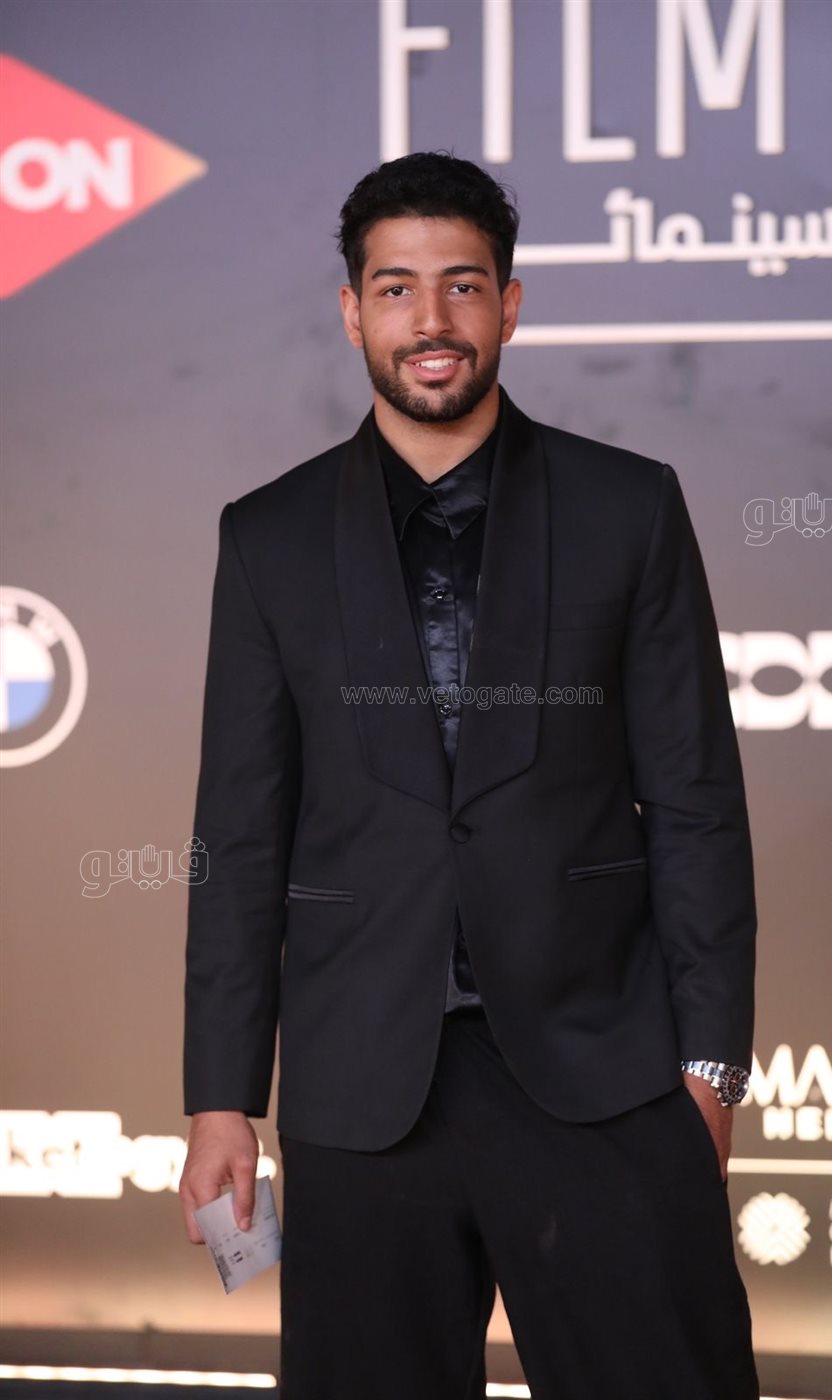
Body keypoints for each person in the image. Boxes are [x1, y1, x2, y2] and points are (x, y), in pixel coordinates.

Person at [179, 151, 760, 1399]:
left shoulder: (628, 507)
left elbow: (698, 805)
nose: (431, 320)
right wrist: (221, 1098)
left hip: (601, 1070)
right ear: (353, 311)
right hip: (361, 1083)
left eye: (462, 285)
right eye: (397, 288)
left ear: (510, 303)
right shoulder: (268, 535)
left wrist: (711, 1068)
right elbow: (240, 834)